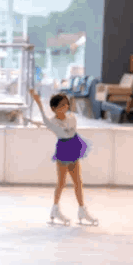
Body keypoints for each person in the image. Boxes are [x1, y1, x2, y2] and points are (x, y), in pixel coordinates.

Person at [28, 87, 98, 226]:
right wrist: (37, 100)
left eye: (66, 104)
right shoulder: (51, 122)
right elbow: (43, 116)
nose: (65, 107)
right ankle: (55, 209)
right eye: (61, 105)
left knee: (78, 181)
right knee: (62, 182)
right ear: (54, 108)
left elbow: (69, 129)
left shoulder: (72, 117)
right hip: (63, 149)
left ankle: (82, 210)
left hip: (74, 146)